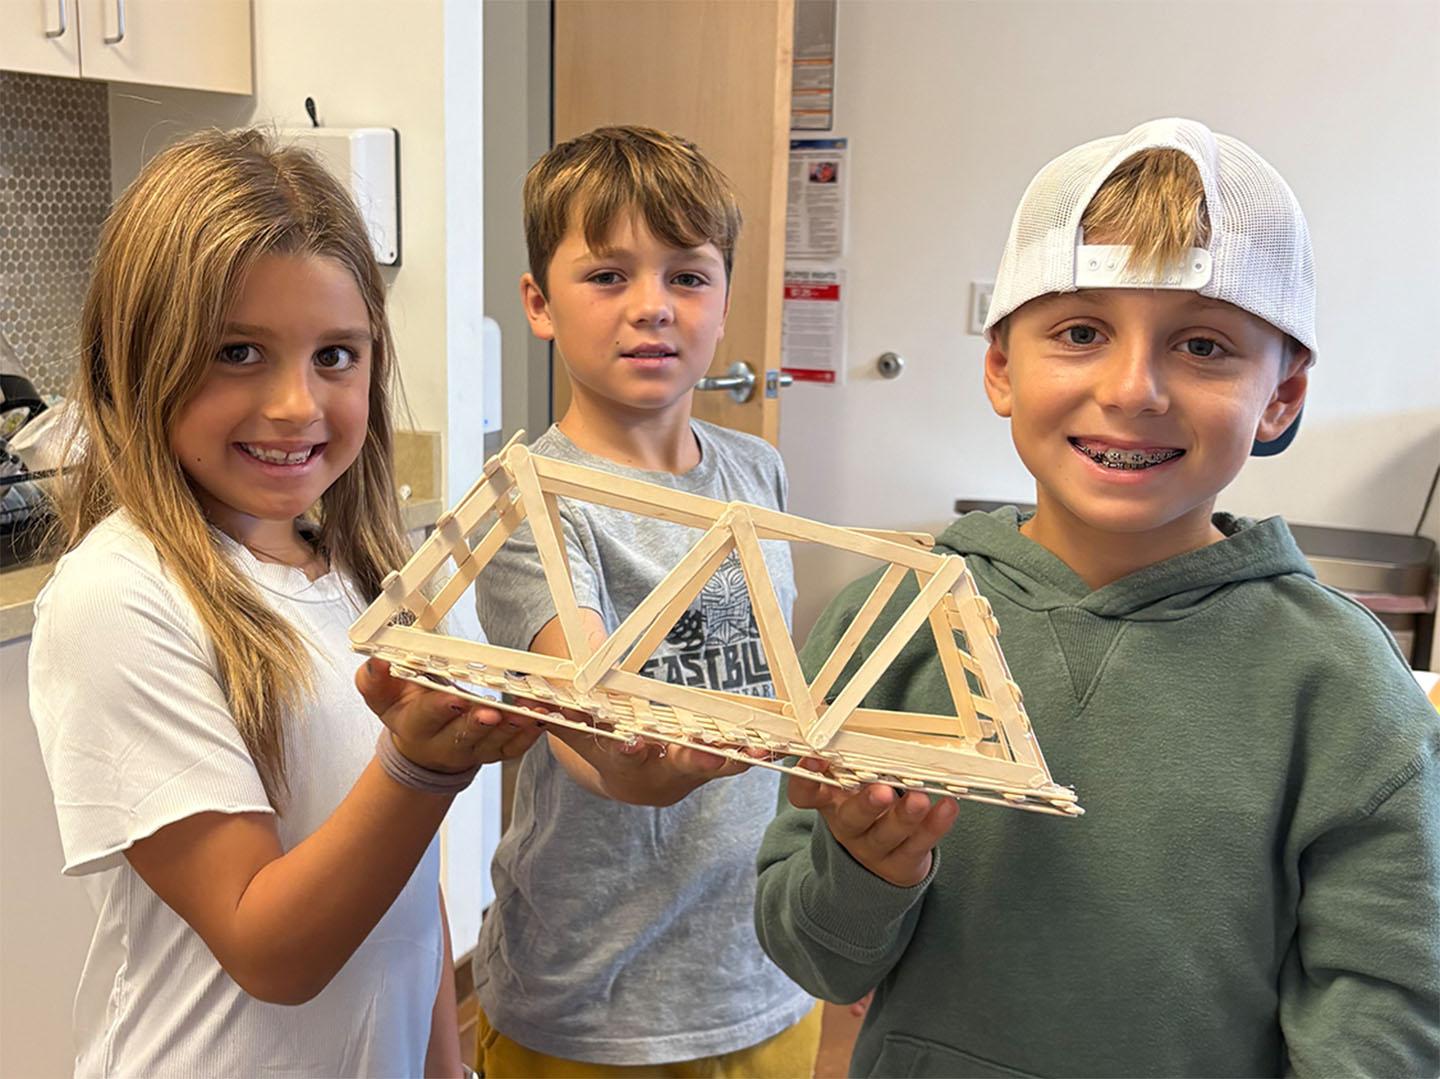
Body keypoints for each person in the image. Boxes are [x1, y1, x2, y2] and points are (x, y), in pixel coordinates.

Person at [754, 117, 1440, 1077]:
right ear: (1001, 365)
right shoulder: (887, 624)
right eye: (1080, 332)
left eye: (1203, 346)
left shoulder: (1341, 684)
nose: (1133, 388)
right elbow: (814, 954)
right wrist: (870, 867)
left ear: (1281, 395)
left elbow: (1385, 1004)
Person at [28, 129, 542, 1078]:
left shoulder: (364, 570)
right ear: (132, 359)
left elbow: (404, 888)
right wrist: (419, 768)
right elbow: (271, 949)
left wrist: (446, 1067)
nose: (297, 404)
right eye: (237, 351)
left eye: (336, 355)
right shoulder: (122, 595)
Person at [472, 125, 820, 1077]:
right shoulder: (524, 501)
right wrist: (653, 756)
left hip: (760, 971)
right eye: (608, 275)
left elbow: (773, 674)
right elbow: (594, 746)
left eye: (687, 276)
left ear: (723, 298)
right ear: (540, 304)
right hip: (591, 1000)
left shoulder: (759, 469)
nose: (652, 308)